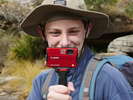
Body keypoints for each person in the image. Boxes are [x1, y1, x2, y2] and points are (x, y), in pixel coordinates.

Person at [20, 0, 133, 100]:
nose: (64, 42)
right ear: (42, 34)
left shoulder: (109, 77)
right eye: (55, 33)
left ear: (87, 30)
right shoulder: (41, 82)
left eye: (73, 31)